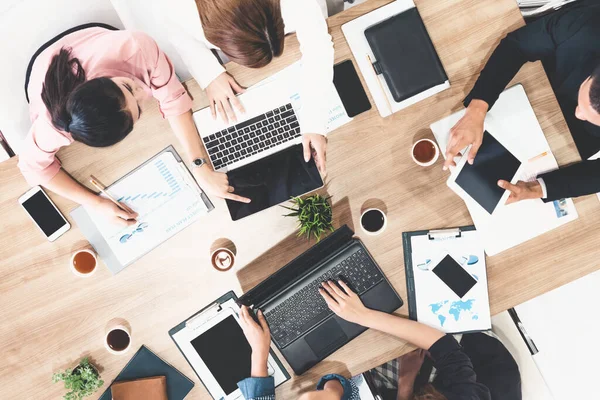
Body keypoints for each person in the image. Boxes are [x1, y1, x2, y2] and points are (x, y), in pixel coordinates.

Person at [19, 25, 250, 227]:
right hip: (44, 80)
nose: (145, 92)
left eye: (128, 88)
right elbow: (31, 168)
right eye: (139, 109)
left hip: (96, 42)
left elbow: (173, 101)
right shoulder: (52, 124)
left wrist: (200, 166)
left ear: (101, 81)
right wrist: (96, 203)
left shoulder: (137, 46)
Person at [238, 280, 521, 400]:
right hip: (484, 365)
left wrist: (259, 353)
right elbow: (444, 347)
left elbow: (343, 389)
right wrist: (362, 315)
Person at [444, 1, 600, 204]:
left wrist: (537, 189)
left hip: (572, 142)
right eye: (583, 105)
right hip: (541, 76)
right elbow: (518, 46)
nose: (578, 113)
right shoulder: (585, 25)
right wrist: (478, 107)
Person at [161, 0, 332, 173]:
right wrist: (209, 75)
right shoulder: (180, 8)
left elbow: (317, 47)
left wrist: (315, 123)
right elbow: (174, 29)